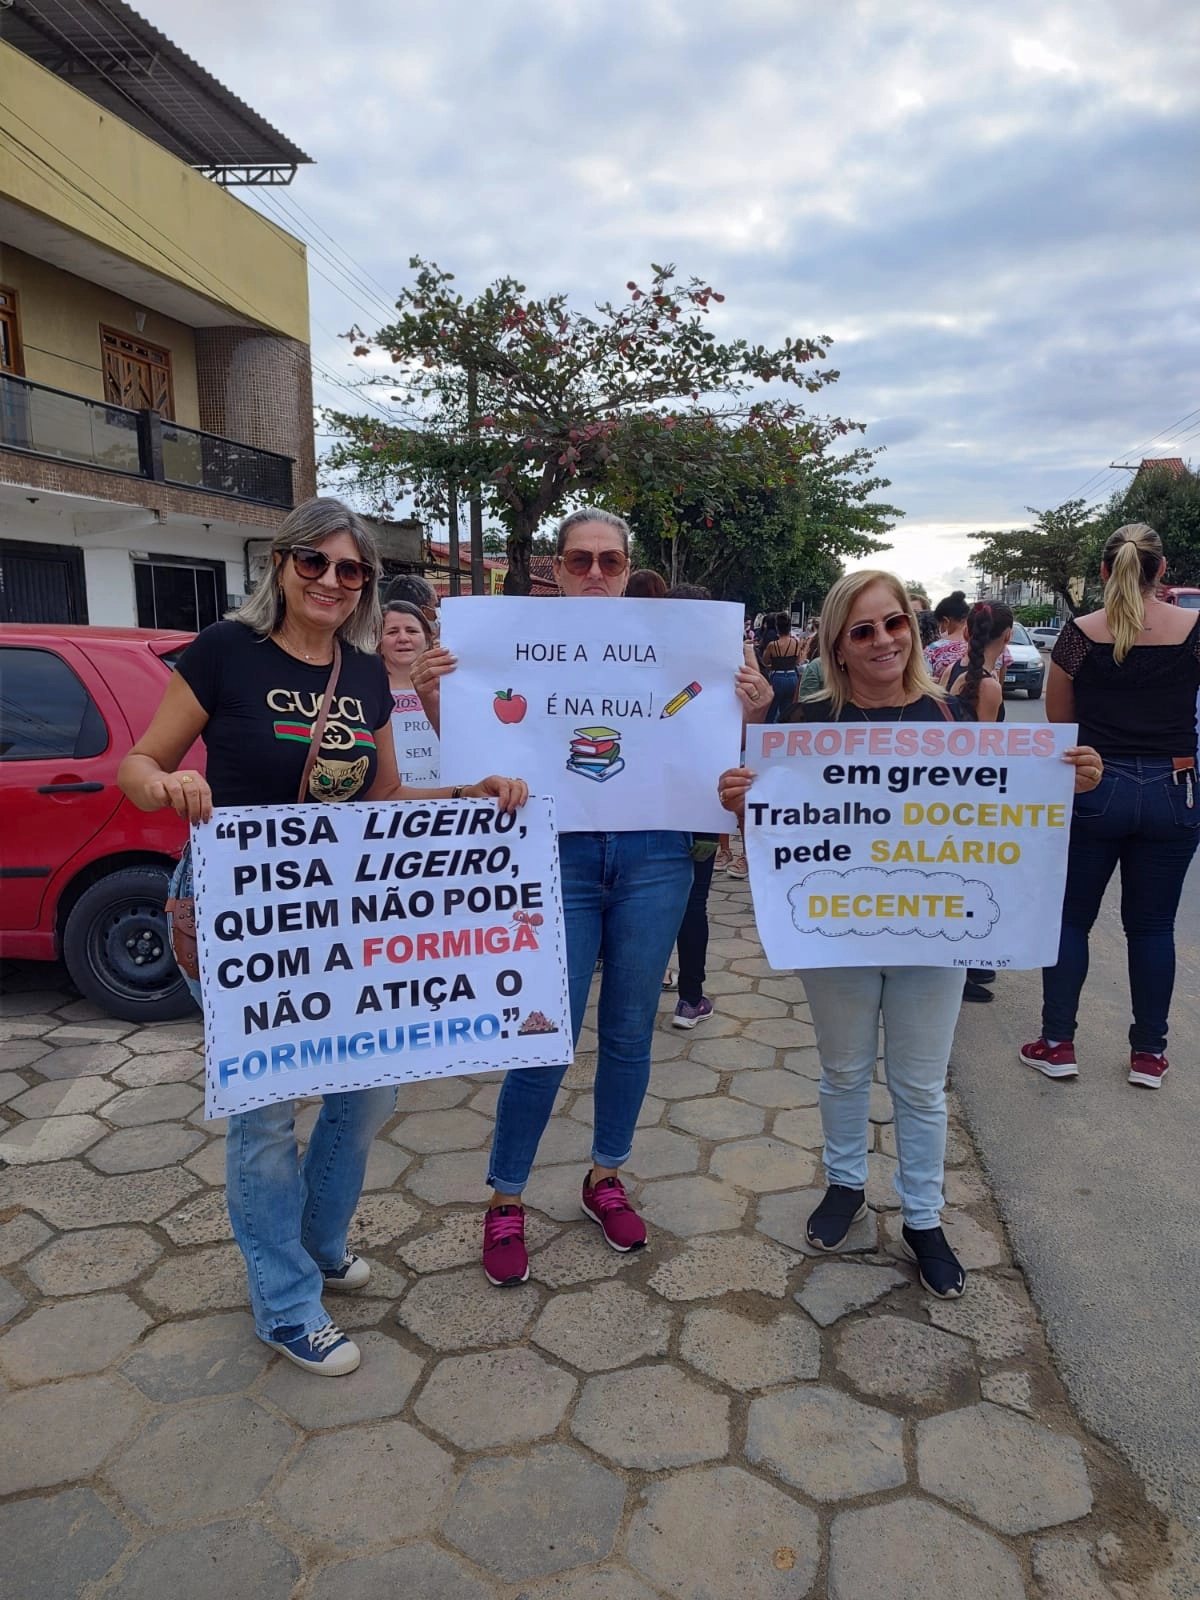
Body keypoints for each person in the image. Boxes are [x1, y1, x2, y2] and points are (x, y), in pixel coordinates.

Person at [119, 496, 527, 1375]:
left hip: (343, 910)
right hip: (241, 908)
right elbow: (137, 763)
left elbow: (379, 800)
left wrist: (469, 795)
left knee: (367, 1091)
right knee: (265, 1113)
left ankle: (317, 1245)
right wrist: (169, 789)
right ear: (281, 563)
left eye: (352, 570)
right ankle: (284, 1302)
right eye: (315, 563)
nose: (332, 582)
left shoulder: (368, 673)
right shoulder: (227, 652)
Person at [722, 569, 1101, 1298]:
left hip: (935, 939)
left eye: (893, 623)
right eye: (862, 630)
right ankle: (845, 1185)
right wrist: (741, 802)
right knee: (842, 1070)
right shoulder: (805, 726)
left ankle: (924, 1218)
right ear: (837, 642)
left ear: (912, 628)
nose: (882, 640)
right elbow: (775, 839)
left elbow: (1005, 812)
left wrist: (1069, 782)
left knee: (921, 1087)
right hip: (836, 937)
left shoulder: (955, 721)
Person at [412, 507, 765, 1285]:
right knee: (542, 1033)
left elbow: (716, 755)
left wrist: (753, 710)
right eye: (580, 560)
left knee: (632, 1031)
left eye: (610, 560)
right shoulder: (514, 646)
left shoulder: (679, 647)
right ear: (556, 570)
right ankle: (506, 1197)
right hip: (554, 856)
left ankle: (606, 1176)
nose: (596, 573)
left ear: (630, 567)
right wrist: (436, 697)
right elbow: (477, 754)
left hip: (656, 857)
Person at [1021, 524, 1200, 1090]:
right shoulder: (1196, 630)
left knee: (1072, 919)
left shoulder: (1078, 634)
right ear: (1162, 570)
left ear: (1104, 570)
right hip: (1177, 786)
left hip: (1094, 786)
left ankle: (1057, 1043)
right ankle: (1148, 1054)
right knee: (1152, 927)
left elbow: (1058, 722)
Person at [942, 602, 1015, 1002]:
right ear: (1007, 636)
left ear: (967, 633)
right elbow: (982, 755)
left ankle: (969, 964)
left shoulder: (952, 672)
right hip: (971, 795)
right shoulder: (987, 686)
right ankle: (963, 968)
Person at [380, 600, 440, 786]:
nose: (403, 638)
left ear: (428, 638)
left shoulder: (450, 688)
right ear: (378, 641)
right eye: (392, 632)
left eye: (412, 631)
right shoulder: (366, 691)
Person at [761, 612, 803, 723]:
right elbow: (799, 661)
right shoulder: (796, 643)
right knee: (787, 712)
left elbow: (764, 662)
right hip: (792, 677)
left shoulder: (772, 645)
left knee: (771, 711)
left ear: (777, 627)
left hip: (777, 677)